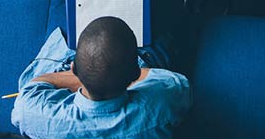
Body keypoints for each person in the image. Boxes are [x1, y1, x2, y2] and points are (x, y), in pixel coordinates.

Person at [12, 17, 191, 138]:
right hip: (136, 60)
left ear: (73, 69)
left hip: (80, 63)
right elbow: (176, 82)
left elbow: (35, 84)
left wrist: (92, 72)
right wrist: (102, 73)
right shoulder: (162, 105)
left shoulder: (31, 113)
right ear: (134, 74)